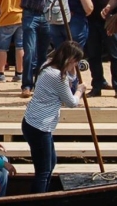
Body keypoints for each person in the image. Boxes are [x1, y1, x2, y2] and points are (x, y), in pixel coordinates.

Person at [21, 41, 85, 193]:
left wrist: (73, 72)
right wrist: (80, 91)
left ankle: (44, 193)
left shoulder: (48, 64)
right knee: (43, 170)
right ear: (69, 59)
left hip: (34, 122)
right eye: (75, 61)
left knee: (51, 162)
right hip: (39, 126)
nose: (76, 64)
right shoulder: (58, 77)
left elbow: (68, 77)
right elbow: (71, 102)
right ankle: (38, 200)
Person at [20, 0, 53, 98]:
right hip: (30, 15)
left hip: (46, 15)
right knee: (29, 51)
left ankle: (39, 84)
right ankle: (26, 85)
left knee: (43, 54)